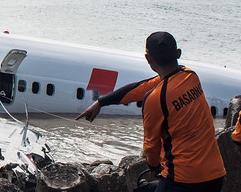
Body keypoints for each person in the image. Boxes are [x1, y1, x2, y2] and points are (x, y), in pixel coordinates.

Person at [76, 31, 226, 192]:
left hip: (182, 179)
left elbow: (151, 145)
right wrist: (101, 102)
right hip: (216, 174)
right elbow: (141, 87)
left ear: (148, 59)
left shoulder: (155, 99)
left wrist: (154, 168)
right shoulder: (190, 76)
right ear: (178, 53)